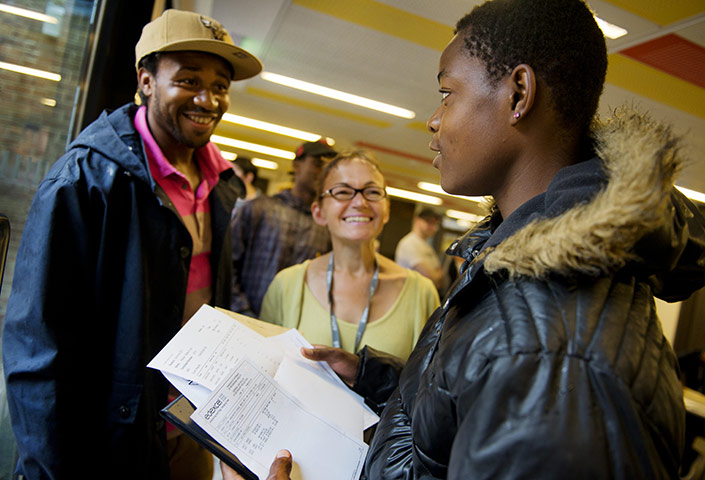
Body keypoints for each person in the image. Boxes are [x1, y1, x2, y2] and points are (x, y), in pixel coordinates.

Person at [225, 0, 705, 478]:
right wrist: (376, 379)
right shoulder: (512, 263)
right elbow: (466, 405)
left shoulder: (554, 355)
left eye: (447, 93)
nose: (434, 120)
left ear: (519, 94)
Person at [3, 9, 262, 480]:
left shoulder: (221, 184)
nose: (208, 99)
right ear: (146, 80)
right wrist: (46, 468)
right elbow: (36, 342)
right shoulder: (86, 178)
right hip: (103, 440)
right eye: (188, 80)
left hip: (187, 426)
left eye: (221, 85)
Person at [259, 149, 439, 359]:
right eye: (342, 192)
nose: (360, 202)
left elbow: (429, 384)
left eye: (372, 192)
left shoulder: (421, 294)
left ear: (386, 210)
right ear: (319, 212)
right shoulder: (287, 285)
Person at [230, 139, 335, 316]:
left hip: (294, 331)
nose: (323, 172)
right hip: (242, 321)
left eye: (329, 168)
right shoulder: (258, 209)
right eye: (318, 164)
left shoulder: (327, 227)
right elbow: (227, 266)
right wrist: (242, 312)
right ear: (297, 165)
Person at [394, 208, 444, 289]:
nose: (433, 228)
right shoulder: (409, 243)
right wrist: (435, 276)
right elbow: (429, 276)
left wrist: (436, 277)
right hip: (409, 293)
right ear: (417, 220)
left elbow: (441, 275)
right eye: (429, 223)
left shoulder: (427, 246)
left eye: (435, 224)